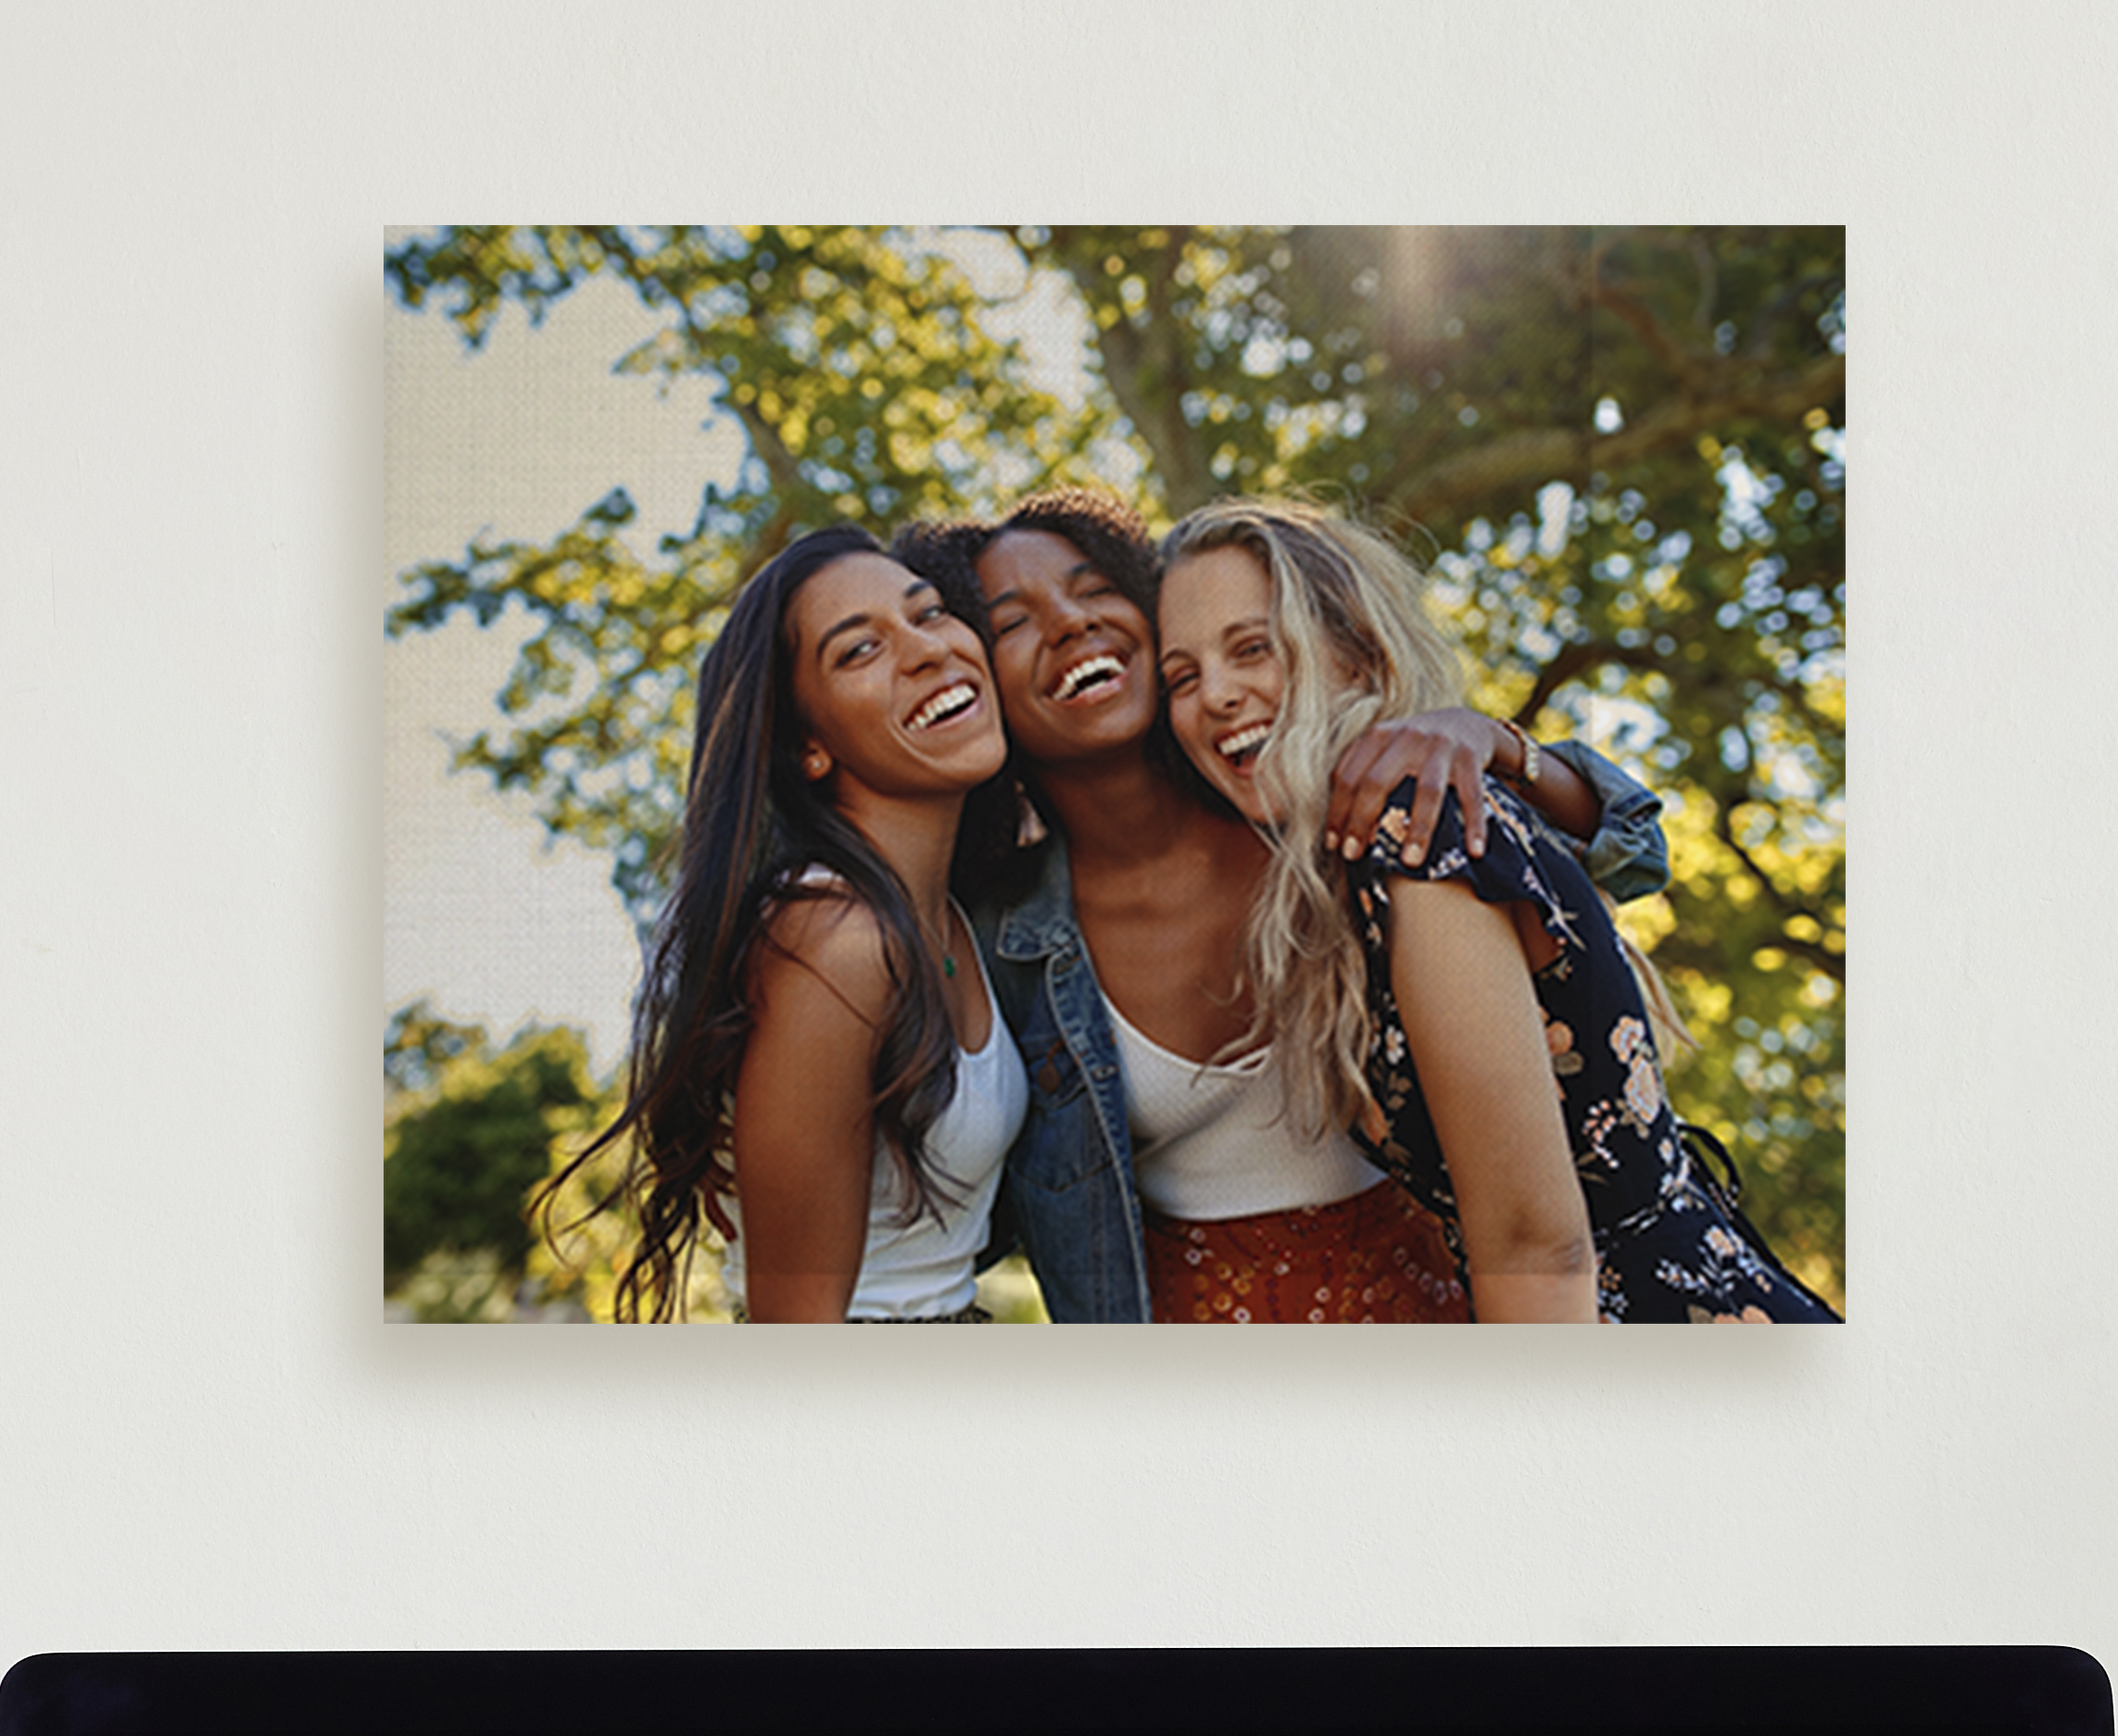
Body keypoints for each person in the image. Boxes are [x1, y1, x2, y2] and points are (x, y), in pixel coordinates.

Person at [930, 490, 1670, 1326]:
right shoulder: (993, 941)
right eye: (1010, 623)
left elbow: (1629, 857)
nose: (1069, 622)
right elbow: (943, 1202)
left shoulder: (1324, 801)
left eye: (1094, 588)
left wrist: (1492, 740)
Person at [1151, 495, 1836, 1328]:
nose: (1216, 695)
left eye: (1252, 648)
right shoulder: (1347, 852)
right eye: (1181, 677)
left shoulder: (1420, 823)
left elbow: (1536, 1248)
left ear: (1357, 656)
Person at [590, 525, 1025, 1323]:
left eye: (928, 615)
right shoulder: (834, 938)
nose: (927, 651)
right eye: (859, 651)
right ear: (810, 748)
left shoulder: (950, 913)